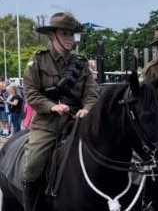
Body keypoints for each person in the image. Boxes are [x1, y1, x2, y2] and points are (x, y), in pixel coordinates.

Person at [22, 12, 99, 211]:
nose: (69, 39)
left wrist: (87, 109)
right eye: (64, 34)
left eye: (71, 35)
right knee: (32, 168)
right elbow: (30, 93)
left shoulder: (81, 64)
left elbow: (92, 93)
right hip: (47, 125)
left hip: (77, 123)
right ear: (52, 35)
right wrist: (51, 106)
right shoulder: (38, 60)